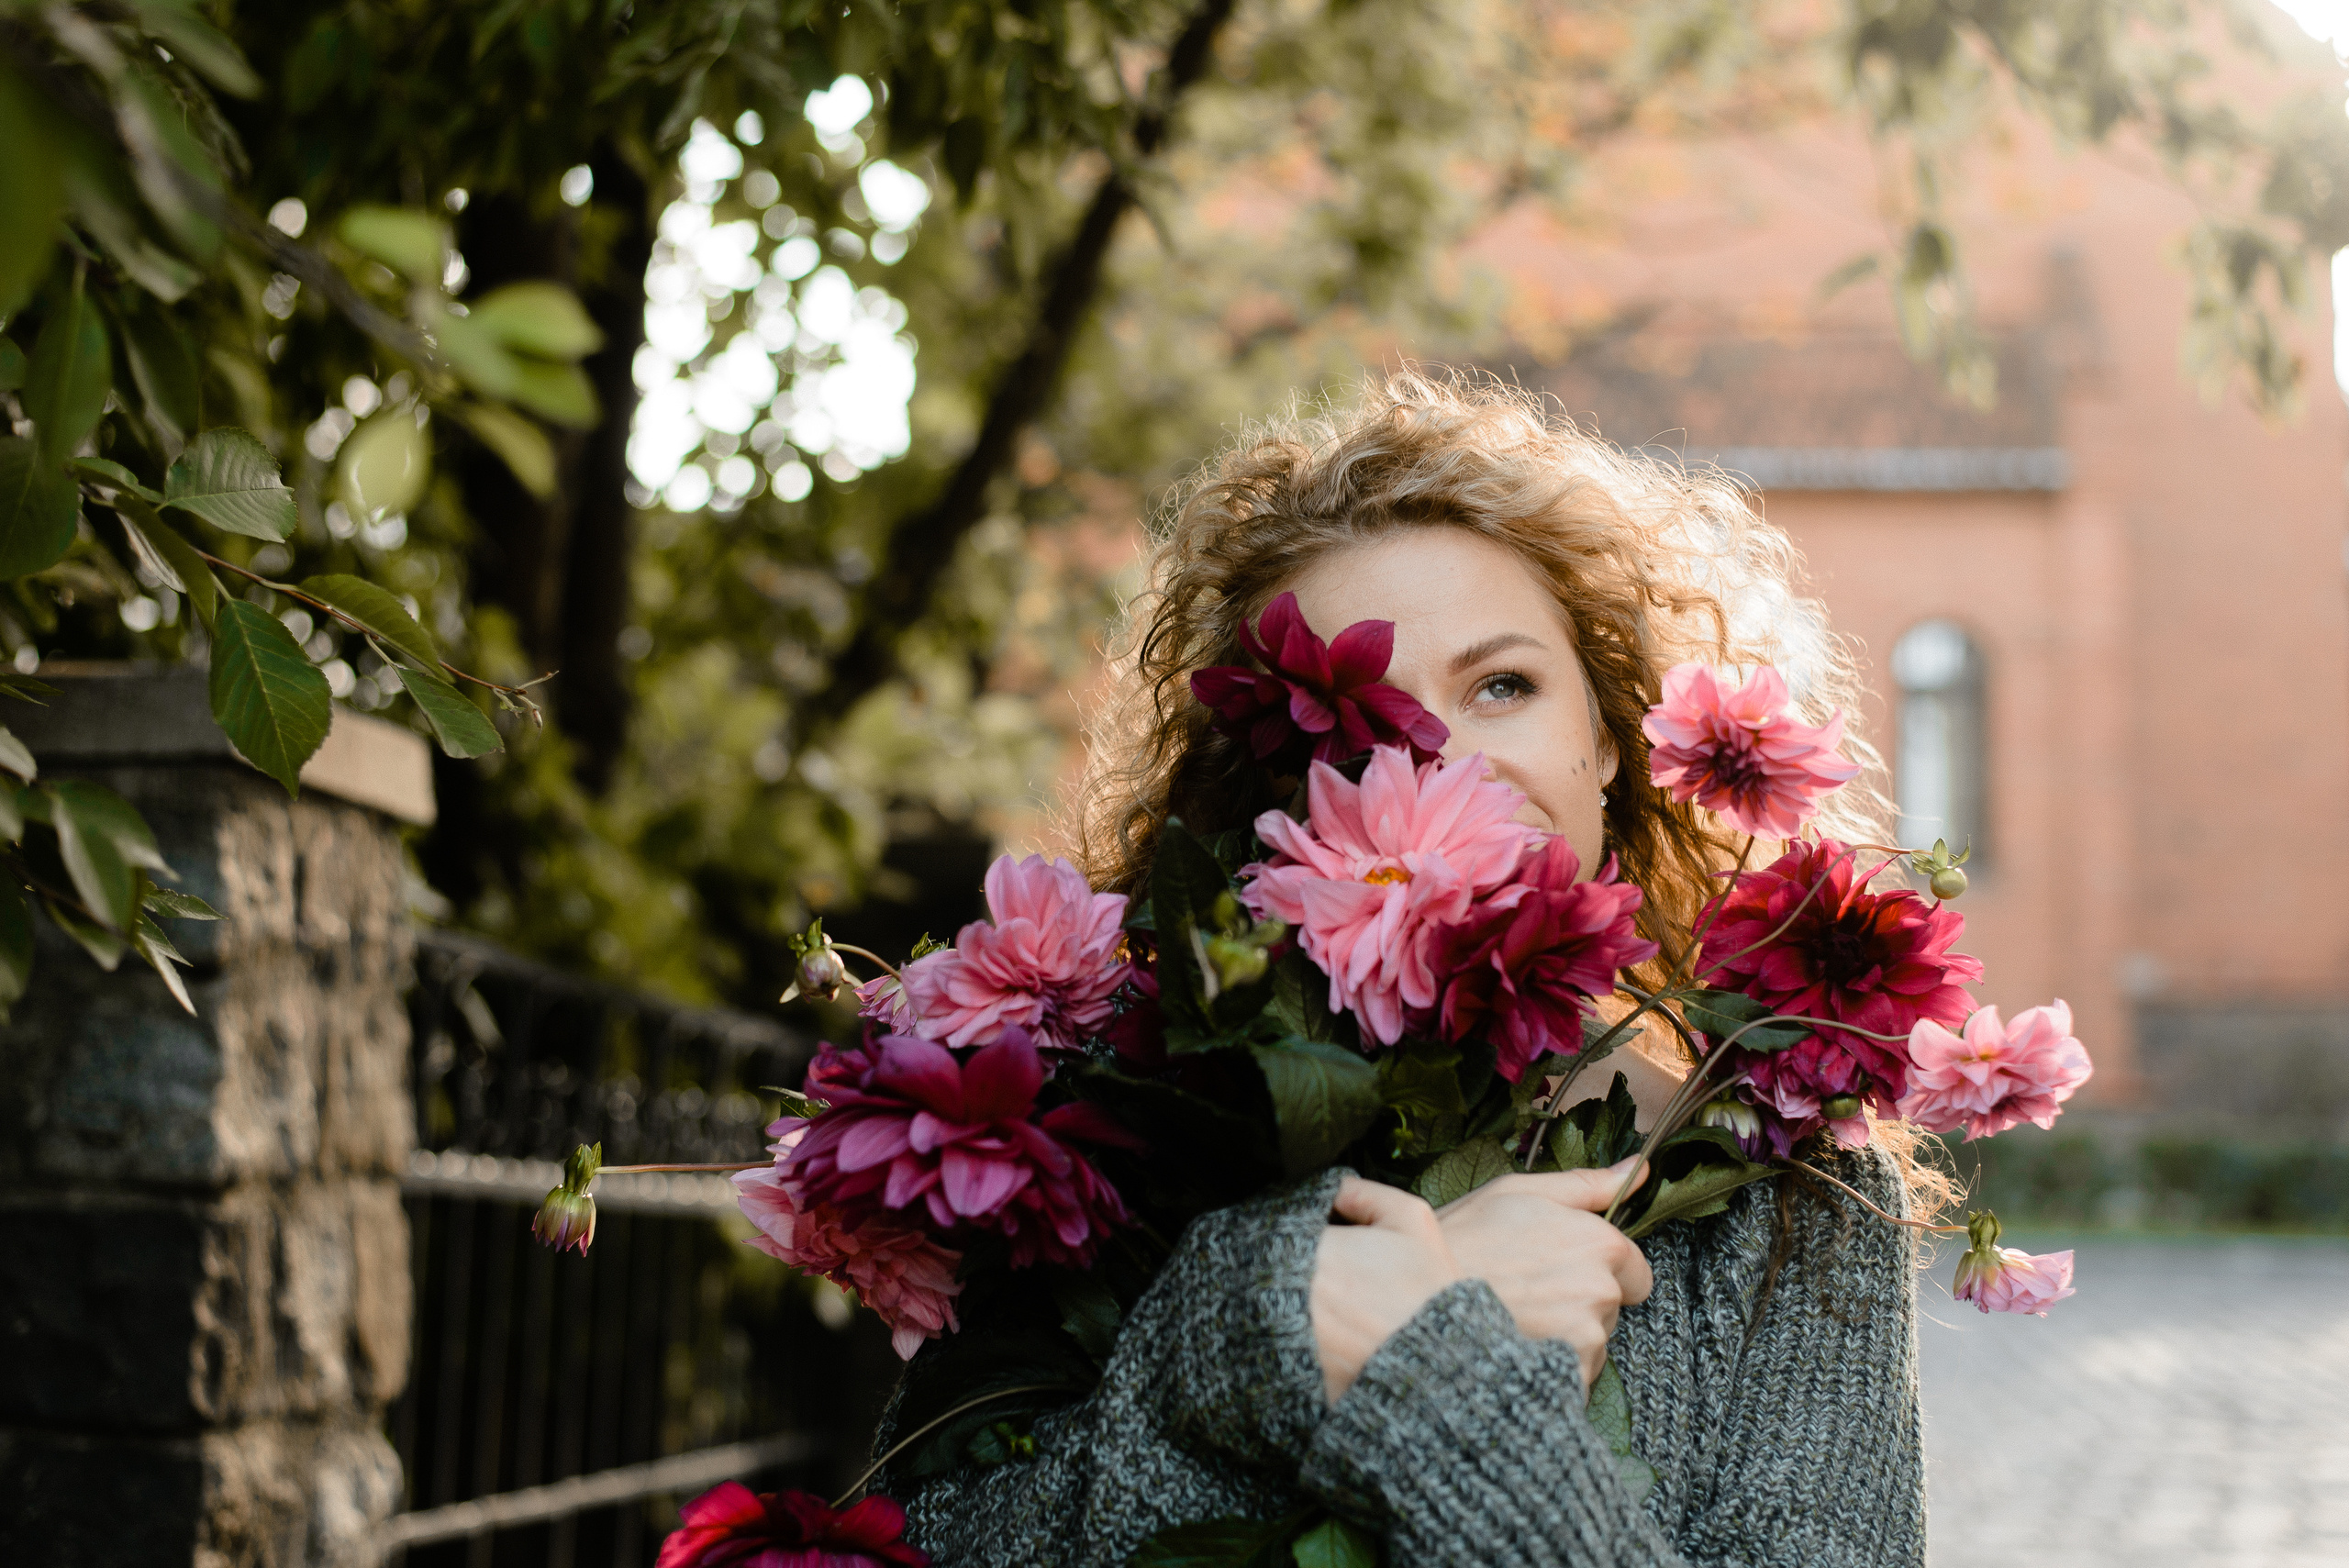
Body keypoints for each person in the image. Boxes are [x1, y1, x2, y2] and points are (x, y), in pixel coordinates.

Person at [874, 370, 1944, 1566]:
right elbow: (946, 1539)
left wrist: (1434, 1353)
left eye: (1503, 685)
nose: (1441, 760)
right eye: (1360, 715)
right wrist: (1245, 1330)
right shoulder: (1092, 1149)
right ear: (1268, 793)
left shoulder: (1791, 1196)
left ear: (1605, 739)